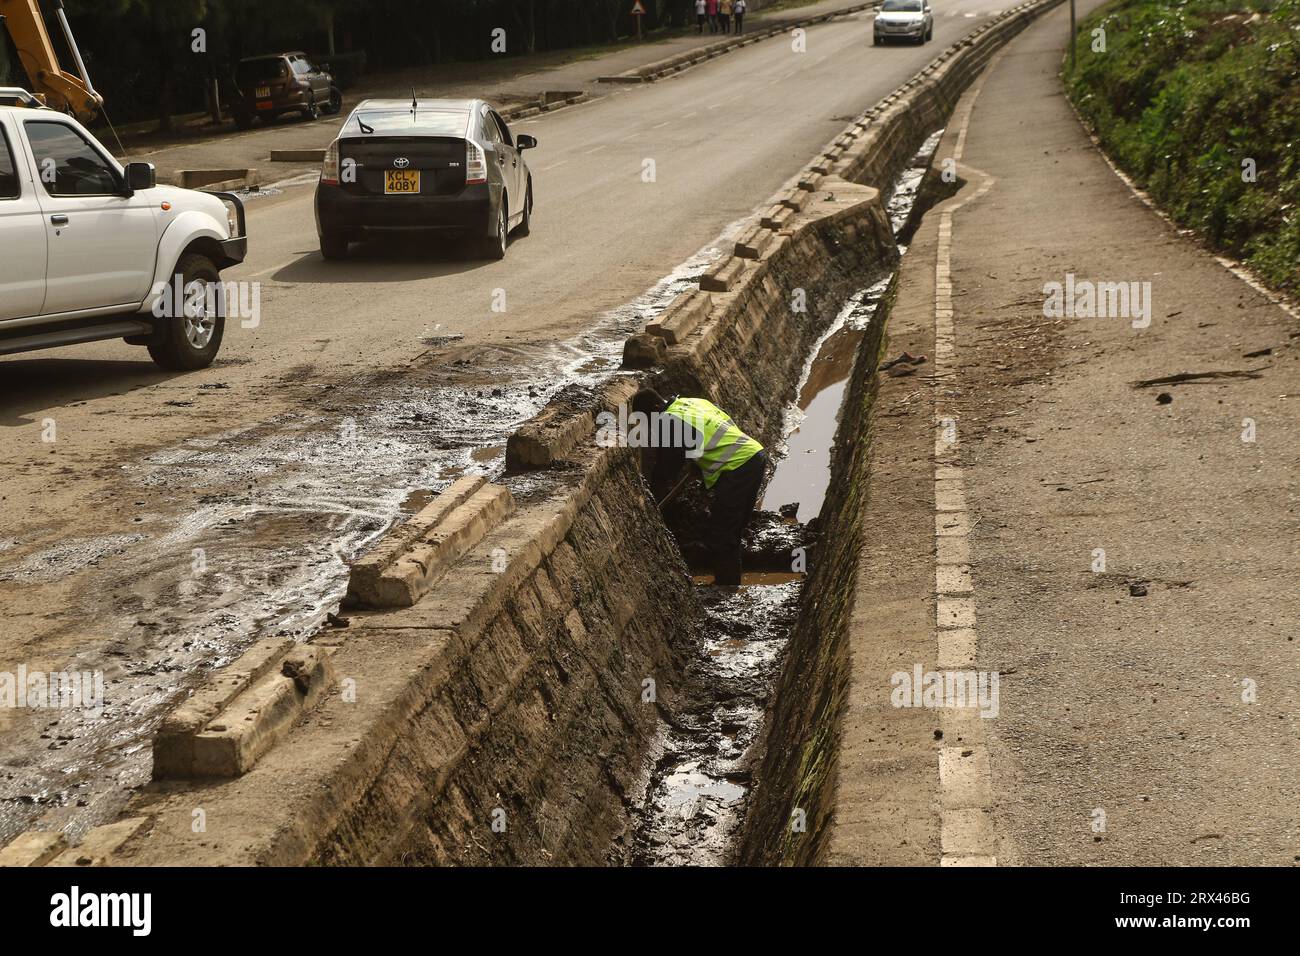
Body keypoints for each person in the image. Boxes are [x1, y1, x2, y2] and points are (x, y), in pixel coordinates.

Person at [631, 388, 767, 587]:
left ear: (656, 408)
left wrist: (654, 504)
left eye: (649, 421)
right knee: (731, 529)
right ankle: (731, 583)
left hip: (738, 467)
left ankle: (726, 588)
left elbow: (666, 470)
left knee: (722, 533)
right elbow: (722, 424)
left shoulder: (668, 421)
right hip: (754, 454)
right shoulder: (693, 402)